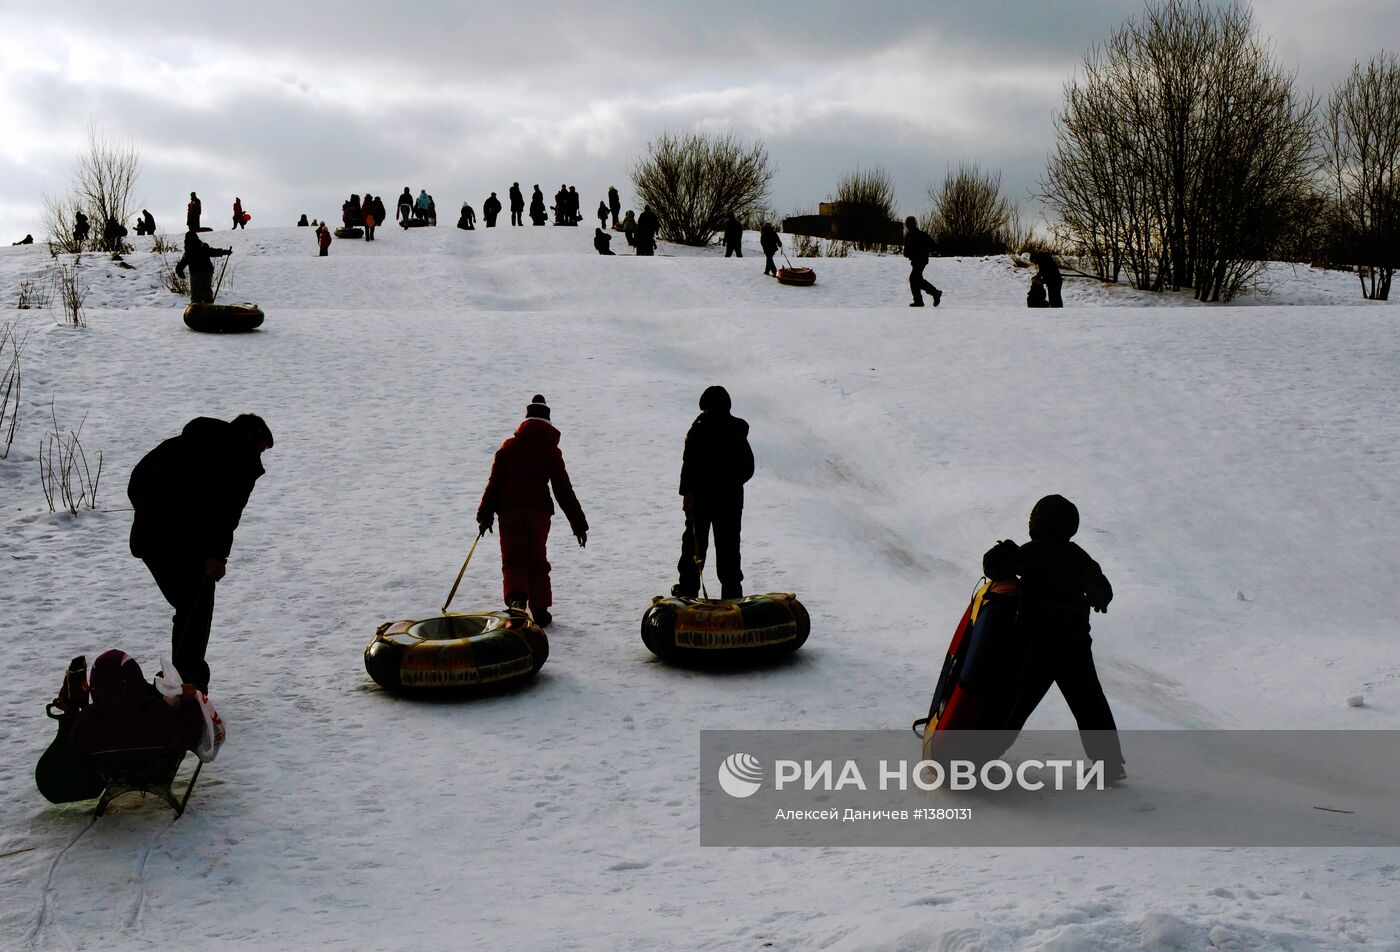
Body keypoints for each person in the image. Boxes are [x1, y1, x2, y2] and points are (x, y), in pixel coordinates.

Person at [127, 414, 273, 693]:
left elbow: (137, 480)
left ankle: (180, 678)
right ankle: (186, 681)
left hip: (150, 538)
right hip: (175, 542)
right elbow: (226, 514)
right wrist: (217, 557)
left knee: (189, 604)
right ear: (249, 440)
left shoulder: (182, 443)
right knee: (197, 601)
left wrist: (150, 512)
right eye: (261, 449)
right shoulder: (238, 461)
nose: (260, 458)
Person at [983, 495, 1124, 782]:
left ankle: (982, 756)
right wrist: (1096, 600)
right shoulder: (1078, 557)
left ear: (1037, 523)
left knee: (1016, 702)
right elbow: (1103, 592)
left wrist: (1004, 551)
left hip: (1035, 641)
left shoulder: (1031, 552)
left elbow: (994, 567)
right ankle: (1109, 765)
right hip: (1074, 644)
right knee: (1089, 702)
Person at [476, 395, 588, 628]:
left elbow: (494, 484)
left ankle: (517, 601)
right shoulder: (551, 452)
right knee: (537, 558)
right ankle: (540, 609)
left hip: (510, 511)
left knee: (514, 558)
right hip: (539, 514)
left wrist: (485, 515)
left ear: (526, 420)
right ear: (547, 421)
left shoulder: (509, 448)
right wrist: (578, 523)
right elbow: (563, 490)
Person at [673, 385, 754, 600]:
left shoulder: (699, 429)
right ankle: (732, 595)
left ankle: (688, 591)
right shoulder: (737, 431)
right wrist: (732, 483)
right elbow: (748, 468)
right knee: (729, 550)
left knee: (694, 546)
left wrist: (687, 494)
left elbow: (688, 465)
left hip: (702, 501)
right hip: (731, 501)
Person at [69, 650, 204, 766]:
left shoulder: (87, 721)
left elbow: (77, 753)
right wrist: (189, 702)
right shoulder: (157, 712)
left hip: (111, 774)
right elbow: (189, 737)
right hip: (157, 771)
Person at [174, 231, 230, 303]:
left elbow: (182, 263)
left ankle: (196, 307)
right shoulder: (203, 246)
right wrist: (225, 252)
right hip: (207, 272)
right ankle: (208, 306)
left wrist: (179, 272)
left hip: (196, 273)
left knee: (196, 292)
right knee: (207, 290)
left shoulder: (189, 251)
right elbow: (213, 251)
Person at [902, 216, 942, 307]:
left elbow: (906, 253)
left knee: (914, 279)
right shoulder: (922, 234)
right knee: (916, 279)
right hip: (922, 260)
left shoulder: (909, 236)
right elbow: (934, 245)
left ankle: (933, 294)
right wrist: (925, 250)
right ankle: (923, 298)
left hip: (918, 260)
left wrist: (917, 251)